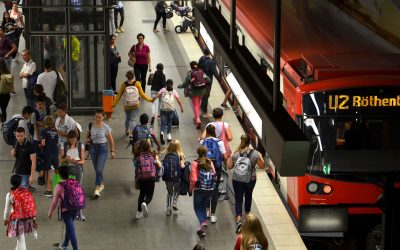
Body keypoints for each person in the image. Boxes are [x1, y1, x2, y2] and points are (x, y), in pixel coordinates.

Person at [227, 134, 265, 233]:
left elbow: (229, 166)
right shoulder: (255, 153)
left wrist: (231, 156)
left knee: (238, 199)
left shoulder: (236, 153)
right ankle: (248, 217)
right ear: (250, 141)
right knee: (248, 196)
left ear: (241, 141)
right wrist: (261, 157)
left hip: (237, 179)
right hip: (250, 180)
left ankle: (239, 220)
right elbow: (262, 166)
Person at [48, 165, 80, 250]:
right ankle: (65, 244)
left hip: (66, 211)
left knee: (71, 230)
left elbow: (54, 201)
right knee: (69, 227)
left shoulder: (59, 186)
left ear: (59, 174)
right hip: (75, 208)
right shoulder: (75, 182)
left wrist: (50, 213)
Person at [113, 70, 153, 136]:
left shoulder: (124, 84)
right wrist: (150, 100)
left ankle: (126, 130)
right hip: (136, 105)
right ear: (134, 76)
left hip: (127, 105)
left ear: (127, 76)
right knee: (133, 120)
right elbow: (142, 94)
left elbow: (119, 95)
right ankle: (132, 134)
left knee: (127, 118)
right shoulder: (137, 83)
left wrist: (114, 104)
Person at [200, 124, 226, 223]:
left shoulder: (202, 141)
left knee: (207, 188)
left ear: (206, 131)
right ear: (214, 131)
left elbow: (200, 155)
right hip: (216, 169)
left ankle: (206, 211)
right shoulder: (219, 142)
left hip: (205, 168)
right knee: (214, 190)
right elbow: (224, 155)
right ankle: (212, 215)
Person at [4, 175, 38, 250]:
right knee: (19, 238)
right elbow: (31, 205)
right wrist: (33, 218)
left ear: (11, 183)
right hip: (27, 218)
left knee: (21, 239)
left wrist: (5, 219)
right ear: (20, 183)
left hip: (17, 220)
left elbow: (6, 210)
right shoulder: (25, 192)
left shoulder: (10, 194)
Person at [86, 110, 115, 198]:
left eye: (99, 117)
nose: (98, 119)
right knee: (97, 169)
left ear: (103, 117)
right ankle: (101, 184)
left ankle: (97, 188)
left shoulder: (106, 127)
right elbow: (88, 136)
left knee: (99, 169)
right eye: (96, 117)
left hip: (102, 149)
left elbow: (111, 140)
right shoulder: (91, 125)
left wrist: (112, 151)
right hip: (93, 149)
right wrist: (87, 140)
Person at [190, 146, 216, 237]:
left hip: (199, 190)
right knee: (204, 207)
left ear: (198, 153)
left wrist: (190, 189)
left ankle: (203, 223)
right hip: (209, 189)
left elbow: (193, 179)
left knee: (197, 208)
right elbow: (214, 174)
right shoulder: (210, 162)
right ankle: (202, 230)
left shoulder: (194, 163)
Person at [133, 140, 162, 219]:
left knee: (142, 194)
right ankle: (145, 203)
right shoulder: (152, 155)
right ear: (149, 147)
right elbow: (158, 166)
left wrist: (136, 178)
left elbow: (136, 167)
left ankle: (138, 213)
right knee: (149, 195)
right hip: (151, 178)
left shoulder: (138, 157)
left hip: (141, 178)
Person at [178, 61, 210, 129]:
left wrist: (180, 86)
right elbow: (209, 80)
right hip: (202, 90)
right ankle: (196, 116)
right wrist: (204, 81)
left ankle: (197, 120)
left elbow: (185, 83)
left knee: (195, 105)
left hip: (194, 91)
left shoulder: (190, 73)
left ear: (191, 66)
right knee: (198, 103)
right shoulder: (201, 71)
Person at [153, 79, 184, 144]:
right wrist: (181, 108)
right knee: (169, 122)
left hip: (163, 109)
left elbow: (156, 96)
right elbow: (179, 101)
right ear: (172, 84)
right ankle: (169, 136)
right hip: (171, 109)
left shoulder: (163, 90)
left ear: (166, 84)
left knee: (163, 122)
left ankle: (162, 132)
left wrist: (152, 99)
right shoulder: (174, 91)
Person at [162, 140, 185, 216]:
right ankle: (174, 202)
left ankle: (168, 209)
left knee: (170, 192)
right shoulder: (180, 155)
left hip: (167, 178)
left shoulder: (167, 155)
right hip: (177, 177)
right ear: (178, 147)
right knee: (177, 190)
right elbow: (182, 166)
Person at [198, 48, 221, 118]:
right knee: (206, 96)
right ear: (209, 53)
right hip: (207, 81)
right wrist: (219, 79)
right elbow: (215, 72)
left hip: (201, 79)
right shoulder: (210, 62)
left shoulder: (201, 59)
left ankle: (202, 106)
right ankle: (204, 112)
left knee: (203, 94)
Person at [40, 115, 59, 197]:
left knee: (47, 170)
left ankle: (48, 190)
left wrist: (40, 145)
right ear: (53, 123)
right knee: (57, 170)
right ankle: (59, 188)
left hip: (47, 153)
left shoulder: (43, 131)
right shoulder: (56, 131)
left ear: (44, 123)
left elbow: (43, 143)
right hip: (55, 152)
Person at [0, 57, 13, 122]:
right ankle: (3, 124)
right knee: (3, 109)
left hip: (0, 94)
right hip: (6, 95)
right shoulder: (8, 73)